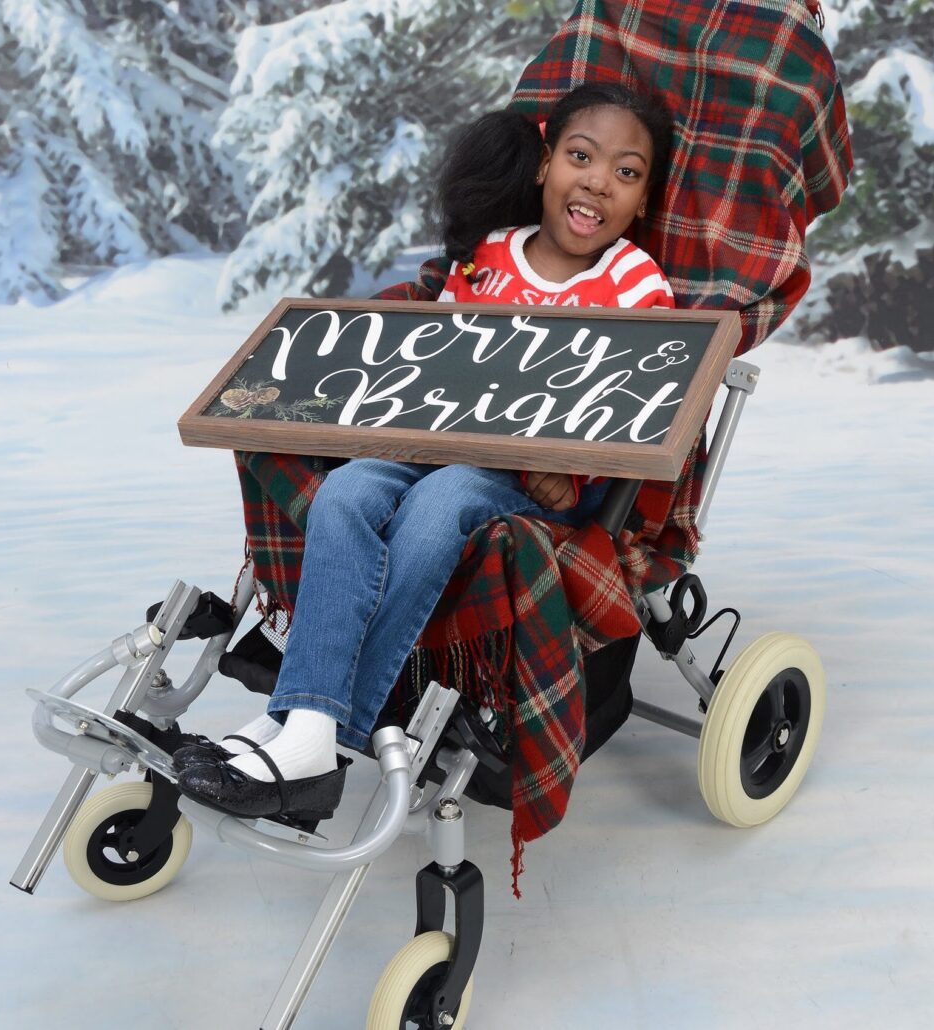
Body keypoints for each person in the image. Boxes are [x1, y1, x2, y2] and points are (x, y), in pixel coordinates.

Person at [175, 81, 676, 822]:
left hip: (523, 478)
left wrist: (576, 472)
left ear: (642, 202)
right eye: (581, 156)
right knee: (345, 494)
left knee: (440, 507)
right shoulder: (490, 255)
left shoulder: (635, 283)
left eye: (627, 173)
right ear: (543, 166)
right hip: (434, 445)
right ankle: (306, 726)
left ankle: (311, 734)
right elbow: (434, 364)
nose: (599, 181)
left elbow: (640, 397)